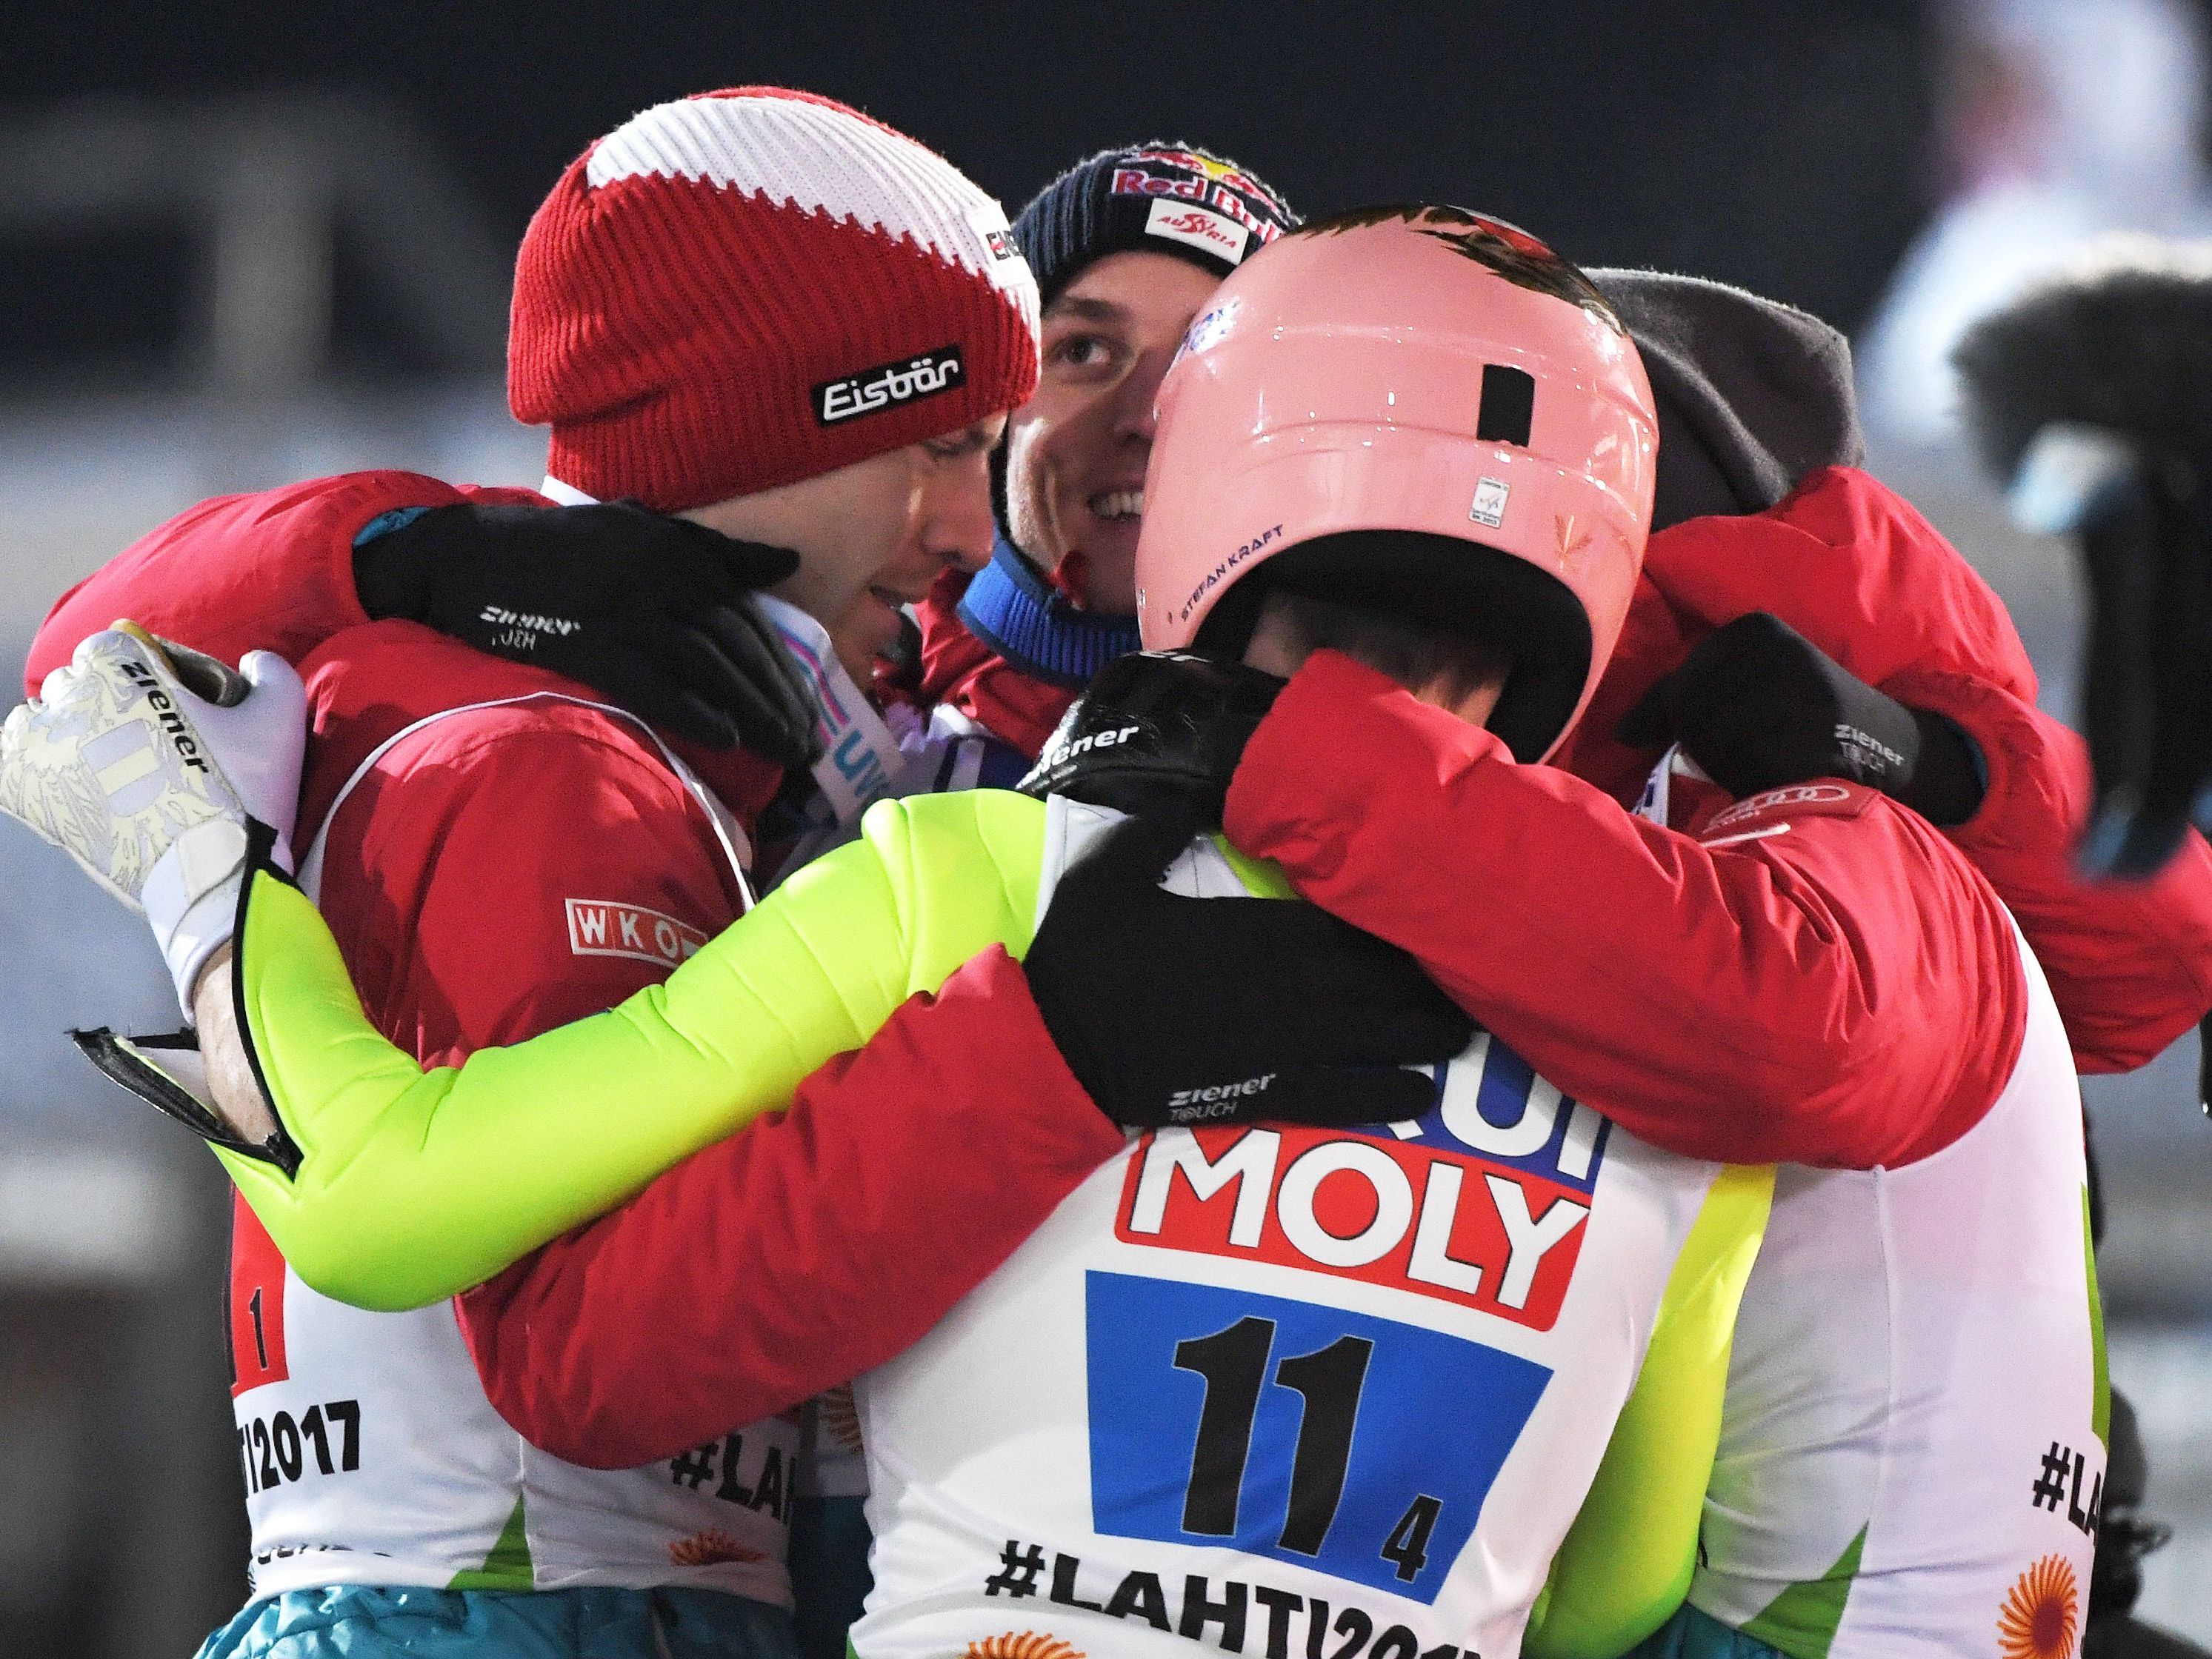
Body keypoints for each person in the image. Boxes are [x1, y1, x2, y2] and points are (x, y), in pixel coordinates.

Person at [10, 204, 1780, 1659]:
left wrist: (192, 855)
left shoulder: (959, 866)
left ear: (1215, 478)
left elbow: (438, 1246)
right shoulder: (1696, 1028)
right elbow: (1612, 1588)